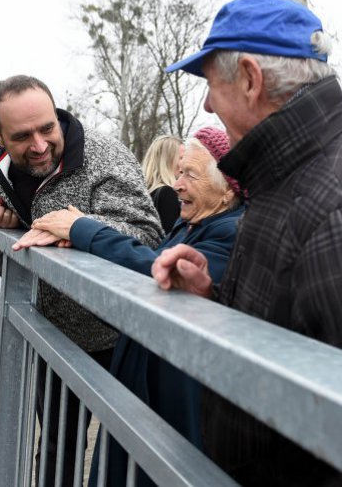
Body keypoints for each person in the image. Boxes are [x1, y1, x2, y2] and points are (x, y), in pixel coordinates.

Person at [152, 0, 342, 485]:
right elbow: (306, 327)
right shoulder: (298, 171)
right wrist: (215, 297)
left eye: (210, 84)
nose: (207, 104)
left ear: (249, 79)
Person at [15, 126, 244, 487]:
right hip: (143, 399)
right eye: (179, 171)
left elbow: (157, 273)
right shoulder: (193, 224)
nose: (177, 184)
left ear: (228, 187)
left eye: (190, 174)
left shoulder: (230, 233)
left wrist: (83, 229)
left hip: (172, 411)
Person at [0, 74, 163, 486]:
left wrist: (79, 227)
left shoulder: (105, 158)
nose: (39, 145)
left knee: (128, 453)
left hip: (116, 335)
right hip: (51, 332)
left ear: (58, 113)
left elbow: (148, 235)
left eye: (47, 128)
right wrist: (5, 221)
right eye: (22, 136)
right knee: (58, 443)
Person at [141, 134, 183, 233]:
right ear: (167, 160)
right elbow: (172, 236)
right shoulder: (167, 193)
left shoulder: (143, 191)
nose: (185, 163)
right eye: (181, 158)